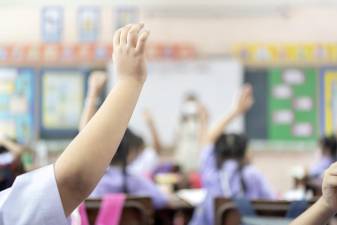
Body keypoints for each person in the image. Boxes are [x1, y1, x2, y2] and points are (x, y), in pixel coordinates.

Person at [0, 23, 150, 225]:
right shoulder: (135, 180)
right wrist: (129, 80)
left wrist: (97, 92)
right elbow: (71, 179)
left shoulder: (101, 179)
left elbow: (82, 146)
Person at [81, 71, 168, 209]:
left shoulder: (91, 180)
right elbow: (161, 201)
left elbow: (84, 138)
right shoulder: (135, 180)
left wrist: (93, 93)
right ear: (129, 151)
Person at [189, 85, 274, 225]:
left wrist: (235, 111)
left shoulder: (211, 172)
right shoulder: (253, 175)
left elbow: (206, 142)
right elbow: (272, 206)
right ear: (245, 152)